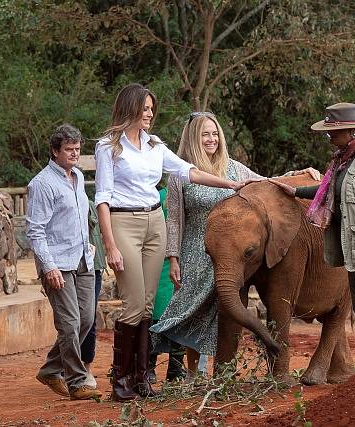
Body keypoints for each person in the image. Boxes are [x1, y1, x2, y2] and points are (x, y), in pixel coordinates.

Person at [94, 83, 255, 401]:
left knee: (149, 305)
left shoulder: (155, 146)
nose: (150, 114)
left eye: (152, 109)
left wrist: (232, 183)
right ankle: (121, 379)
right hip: (123, 221)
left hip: (155, 222)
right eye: (145, 109)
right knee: (133, 303)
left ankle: (141, 377)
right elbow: (102, 198)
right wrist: (110, 245)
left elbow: (188, 172)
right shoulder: (108, 147)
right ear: (129, 109)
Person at [150, 111, 320, 377]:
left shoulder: (233, 168)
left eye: (215, 133)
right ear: (193, 138)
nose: (211, 139)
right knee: (195, 313)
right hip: (197, 253)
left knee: (225, 315)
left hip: (233, 255)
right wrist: (174, 257)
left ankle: (221, 372)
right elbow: (174, 220)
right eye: (204, 134)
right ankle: (193, 374)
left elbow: (265, 182)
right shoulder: (180, 173)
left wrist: (297, 174)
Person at [274, 102, 355, 369]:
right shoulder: (346, 157)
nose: (329, 137)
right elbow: (334, 190)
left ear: (351, 131)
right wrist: (297, 192)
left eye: (333, 132)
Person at [26, 124, 102, 401]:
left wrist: (88, 243)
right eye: (68, 150)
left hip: (83, 258)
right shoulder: (42, 184)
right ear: (55, 151)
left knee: (86, 319)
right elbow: (35, 230)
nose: (74, 154)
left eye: (77, 150)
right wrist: (49, 267)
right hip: (57, 262)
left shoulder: (78, 177)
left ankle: (50, 369)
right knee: (69, 323)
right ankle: (78, 380)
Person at [146, 181, 186, 384]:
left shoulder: (167, 196)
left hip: (175, 261)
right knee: (157, 314)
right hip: (158, 263)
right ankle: (150, 367)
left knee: (175, 315)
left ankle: (175, 369)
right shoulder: (158, 196)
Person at [79, 204, 107, 387]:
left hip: (92, 265)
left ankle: (86, 367)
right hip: (64, 265)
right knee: (70, 320)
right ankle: (68, 364)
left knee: (88, 317)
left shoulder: (91, 204)